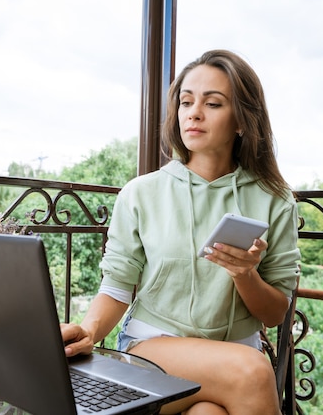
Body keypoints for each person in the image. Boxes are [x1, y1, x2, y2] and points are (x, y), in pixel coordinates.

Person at [61, 49, 301, 415]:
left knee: (209, 413)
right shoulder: (141, 193)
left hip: (234, 351)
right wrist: (90, 332)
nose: (194, 113)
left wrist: (245, 274)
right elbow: (117, 285)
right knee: (252, 372)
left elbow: (274, 314)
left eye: (213, 103)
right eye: (186, 102)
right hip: (152, 347)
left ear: (241, 120)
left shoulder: (275, 199)